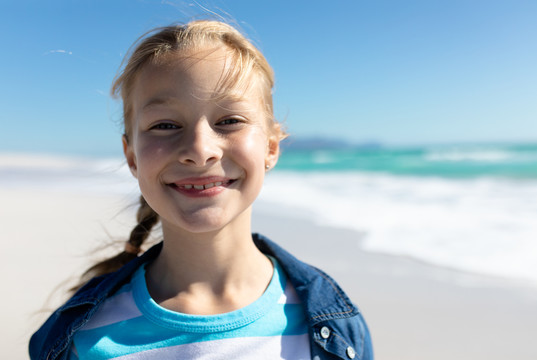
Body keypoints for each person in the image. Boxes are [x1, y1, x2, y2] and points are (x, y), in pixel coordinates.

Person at [29, 20, 373, 360]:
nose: (199, 149)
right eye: (165, 125)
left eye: (229, 121)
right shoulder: (82, 338)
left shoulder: (336, 328)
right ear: (132, 156)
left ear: (270, 147)